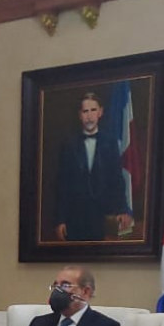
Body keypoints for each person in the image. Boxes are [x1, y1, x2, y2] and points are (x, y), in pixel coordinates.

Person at [53, 92, 134, 242]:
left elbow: (116, 179)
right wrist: (60, 219)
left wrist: (122, 209)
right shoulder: (69, 144)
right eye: (85, 111)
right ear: (80, 115)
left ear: (100, 112)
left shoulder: (110, 143)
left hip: (103, 215)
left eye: (93, 110)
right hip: (75, 217)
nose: (89, 116)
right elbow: (62, 185)